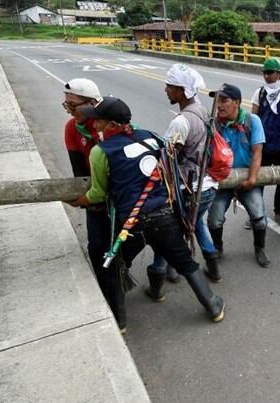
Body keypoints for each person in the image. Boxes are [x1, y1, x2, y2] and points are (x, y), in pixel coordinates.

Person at [70, 97, 225, 323]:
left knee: (116, 263)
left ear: (113, 125)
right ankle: (213, 306)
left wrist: (77, 200)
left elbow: (98, 194)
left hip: (131, 223)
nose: (95, 125)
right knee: (185, 263)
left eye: (99, 121)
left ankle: (120, 321)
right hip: (164, 216)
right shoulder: (152, 138)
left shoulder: (100, 152)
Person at [146, 64, 221, 299]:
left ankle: (159, 280)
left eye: (170, 86)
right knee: (196, 224)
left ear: (181, 90)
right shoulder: (201, 109)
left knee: (166, 235)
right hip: (206, 185)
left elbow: (168, 158)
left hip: (187, 188)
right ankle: (213, 268)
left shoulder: (181, 121)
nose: (166, 90)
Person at [62, 78, 128, 331]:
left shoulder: (111, 124)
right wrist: (88, 200)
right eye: (66, 106)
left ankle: (151, 271)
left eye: (73, 106)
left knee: (125, 245)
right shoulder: (72, 129)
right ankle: (110, 298)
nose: (70, 111)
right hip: (96, 197)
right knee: (97, 247)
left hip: (121, 197)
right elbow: (80, 172)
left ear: (92, 105)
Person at [207, 84, 271, 268]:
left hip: (246, 177)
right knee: (214, 218)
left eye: (224, 100)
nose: (218, 105)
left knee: (259, 217)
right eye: (217, 100)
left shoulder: (252, 121)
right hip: (222, 180)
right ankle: (217, 248)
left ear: (237, 102)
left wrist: (252, 179)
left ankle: (260, 249)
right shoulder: (213, 124)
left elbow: (257, 152)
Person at [251, 57, 280, 226]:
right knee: (258, 180)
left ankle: (279, 210)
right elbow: (253, 119)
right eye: (264, 73)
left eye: (270, 73)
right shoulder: (260, 93)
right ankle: (255, 212)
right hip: (263, 146)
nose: (267, 76)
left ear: (279, 74)